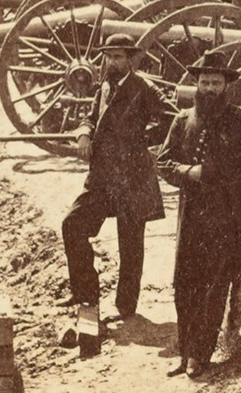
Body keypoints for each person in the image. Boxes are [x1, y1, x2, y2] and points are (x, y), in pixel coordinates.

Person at [156, 51, 241, 379]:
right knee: (184, 284)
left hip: (226, 216)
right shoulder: (183, 120)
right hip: (191, 216)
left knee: (214, 286)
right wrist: (188, 172)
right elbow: (162, 161)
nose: (209, 89)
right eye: (204, 82)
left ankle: (199, 355)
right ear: (196, 83)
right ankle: (184, 351)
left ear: (225, 86)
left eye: (216, 83)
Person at [57, 33, 170, 321]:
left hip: (133, 178)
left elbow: (169, 118)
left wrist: (140, 140)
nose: (112, 62)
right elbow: (90, 118)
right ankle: (85, 293)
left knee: (130, 245)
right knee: (72, 224)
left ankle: (125, 306)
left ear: (130, 59)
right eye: (108, 56)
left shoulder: (143, 87)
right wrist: (84, 134)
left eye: (118, 57)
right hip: (103, 178)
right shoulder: (105, 86)